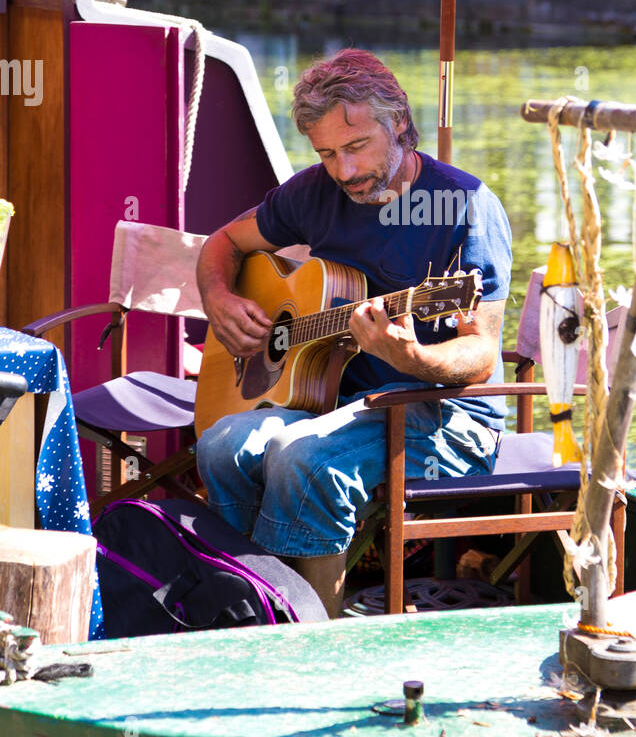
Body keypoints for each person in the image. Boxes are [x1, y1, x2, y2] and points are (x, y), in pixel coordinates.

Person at [196, 48, 512, 617]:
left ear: (398, 125)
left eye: (356, 147)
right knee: (222, 446)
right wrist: (220, 300)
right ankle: (251, 612)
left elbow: (482, 357)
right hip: (335, 400)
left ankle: (318, 637)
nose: (342, 171)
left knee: (303, 461)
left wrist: (412, 356)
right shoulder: (314, 191)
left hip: (444, 416)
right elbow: (224, 243)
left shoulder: (464, 206)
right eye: (326, 153)